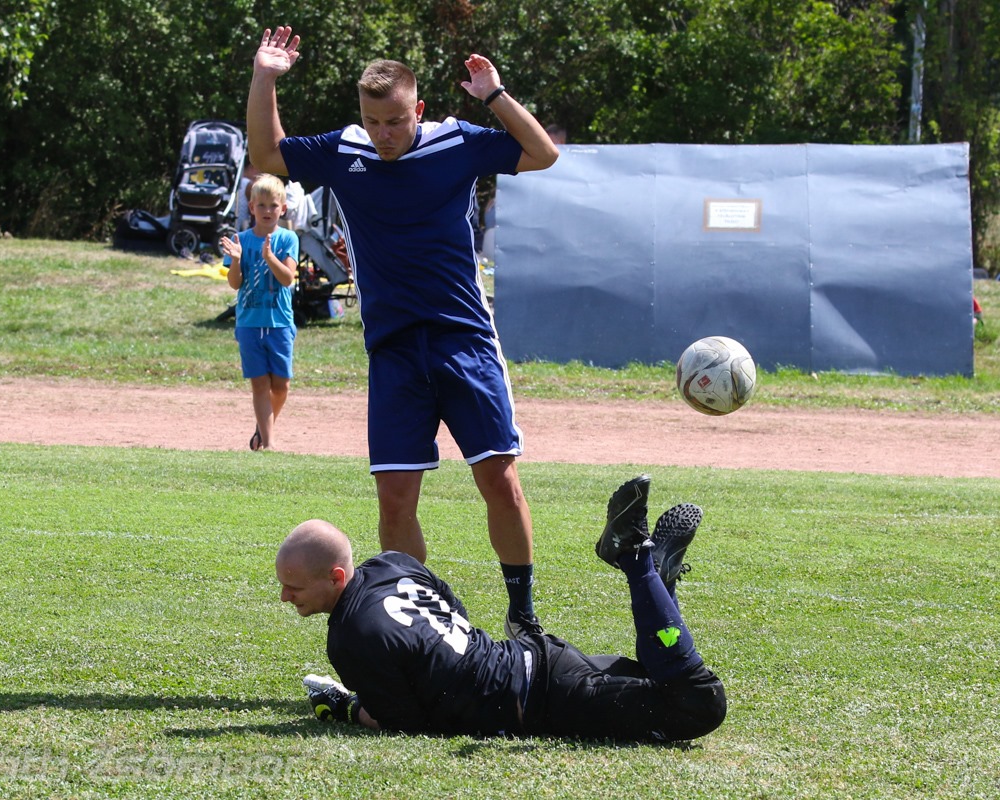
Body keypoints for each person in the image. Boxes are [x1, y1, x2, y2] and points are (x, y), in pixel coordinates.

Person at [247, 25, 560, 638]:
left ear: (418, 110)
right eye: (373, 121)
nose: (383, 134)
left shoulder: (457, 142)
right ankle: (417, 626)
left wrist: (493, 95)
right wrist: (264, 78)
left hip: (463, 341)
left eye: (394, 121)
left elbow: (542, 152)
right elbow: (268, 156)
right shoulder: (346, 150)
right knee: (394, 501)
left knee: (499, 481)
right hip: (392, 351)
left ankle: (522, 616)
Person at [276, 475, 728, 741]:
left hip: (546, 700)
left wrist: (348, 709)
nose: (284, 596)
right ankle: (657, 591)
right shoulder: (392, 563)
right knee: (660, 678)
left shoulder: (352, 635)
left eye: (293, 586)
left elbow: (404, 724)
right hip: (538, 657)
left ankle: (637, 561)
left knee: (699, 702)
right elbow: (453, 607)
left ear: (336, 576)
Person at [219, 173, 300, 451]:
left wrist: (270, 258)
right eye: (261, 205)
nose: (267, 210)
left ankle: (263, 429)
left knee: (281, 386)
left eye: (273, 205)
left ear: (283, 208)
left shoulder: (288, 238)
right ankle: (269, 442)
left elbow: (287, 279)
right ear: (251, 207)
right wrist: (236, 261)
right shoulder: (239, 240)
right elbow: (235, 284)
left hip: (280, 323)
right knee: (259, 384)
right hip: (249, 323)